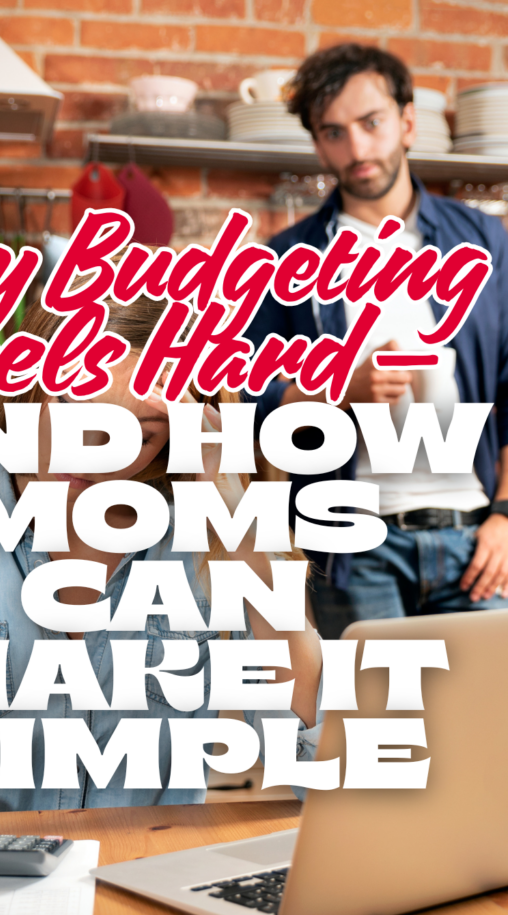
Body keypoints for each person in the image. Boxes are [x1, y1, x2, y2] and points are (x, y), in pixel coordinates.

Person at [0, 289, 323, 860]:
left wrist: (233, 516)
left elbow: (317, 763)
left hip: (148, 877)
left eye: (138, 432)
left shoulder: (210, 539)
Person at [245, 43, 508, 640]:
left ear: (408, 121)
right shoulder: (284, 260)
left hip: (477, 542)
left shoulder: (483, 242)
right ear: (317, 143)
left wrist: (505, 518)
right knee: (374, 728)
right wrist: (335, 390)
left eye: (371, 124)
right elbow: (246, 404)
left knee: (491, 726)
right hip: (351, 547)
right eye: (334, 133)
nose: (358, 150)